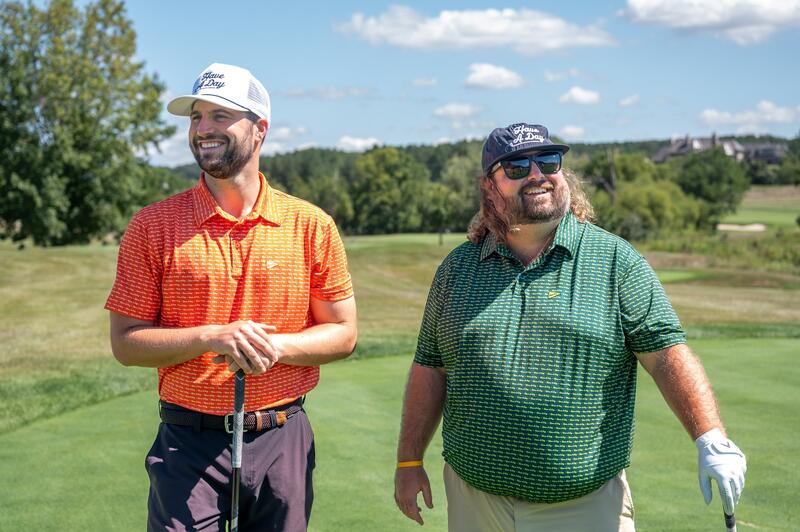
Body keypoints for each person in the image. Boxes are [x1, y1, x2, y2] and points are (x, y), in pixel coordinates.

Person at [393, 122, 746, 531]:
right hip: (475, 502)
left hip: (585, 508)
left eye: (548, 161)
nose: (536, 174)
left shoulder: (615, 261)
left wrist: (710, 436)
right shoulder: (458, 268)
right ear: (489, 186)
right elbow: (431, 367)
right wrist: (408, 461)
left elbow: (666, 354)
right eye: (517, 167)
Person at [106, 63, 357, 531]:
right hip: (187, 439)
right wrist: (213, 337)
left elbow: (343, 334)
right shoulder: (153, 226)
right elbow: (126, 342)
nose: (204, 129)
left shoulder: (311, 225)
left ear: (259, 129)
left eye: (220, 116)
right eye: (196, 117)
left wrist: (269, 346)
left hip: (282, 436)